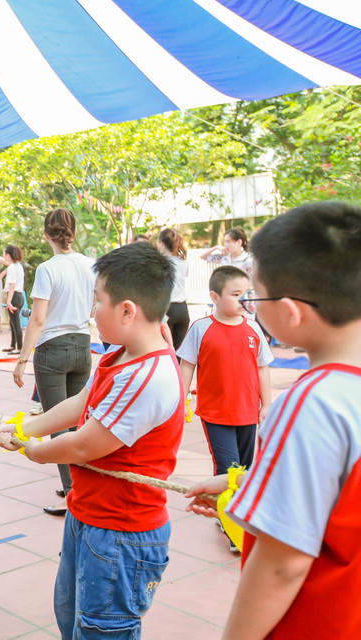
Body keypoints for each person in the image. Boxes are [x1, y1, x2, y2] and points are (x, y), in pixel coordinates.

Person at [185, 201, 361, 640]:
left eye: (255, 297)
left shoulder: (309, 403)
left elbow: (282, 562)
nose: (250, 307)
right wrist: (242, 482)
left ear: (289, 311)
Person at [0, 241, 184, 638]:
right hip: (89, 514)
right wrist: (26, 428)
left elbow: (84, 445)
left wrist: (35, 451)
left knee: (102, 629)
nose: (91, 311)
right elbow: (82, 402)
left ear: (127, 310)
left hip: (121, 533)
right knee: (71, 615)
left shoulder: (148, 376)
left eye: (97, 301)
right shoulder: (120, 353)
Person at [13, 208, 96, 515]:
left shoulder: (48, 269)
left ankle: (76, 498)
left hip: (52, 349)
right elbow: (97, 304)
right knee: (77, 421)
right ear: (73, 232)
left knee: (58, 424)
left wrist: (22, 360)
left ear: (46, 235)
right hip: (82, 345)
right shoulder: (91, 265)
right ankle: (83, 487)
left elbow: (37, 318)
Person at [178, 266, 274, 480]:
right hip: (216, 414)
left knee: (245, 471)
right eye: (235, 295)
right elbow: (187, 365)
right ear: (215, 297)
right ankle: (225, 513)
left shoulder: (254, 329)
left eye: (246, 294)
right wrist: (181, 399)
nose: (243, 300)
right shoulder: (201, 329)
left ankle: (238, 511)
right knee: (228, 470)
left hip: (248, 413)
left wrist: (266, 404)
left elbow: (262, 367)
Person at [157, 228, 190, 350]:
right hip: (183, 309)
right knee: (178, 354)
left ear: (161, 243)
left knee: (165, 352)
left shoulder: (160, 262)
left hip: (167, 309)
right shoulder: (184, 261)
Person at [2, 245, 25, 354]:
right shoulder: (18, 266)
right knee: (13, 322)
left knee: (16, 323)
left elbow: (12, 285)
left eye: (4, 254)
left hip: (14, 296)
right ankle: (12, 345)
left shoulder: (11, 268)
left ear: (8, 255)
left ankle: (19, 348)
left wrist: (8, 302)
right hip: (20, 296)